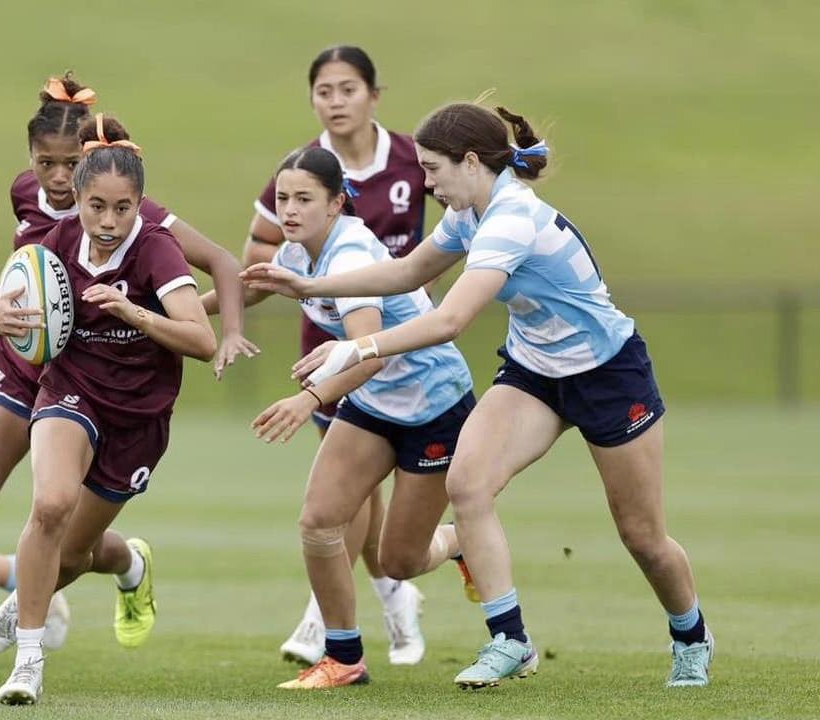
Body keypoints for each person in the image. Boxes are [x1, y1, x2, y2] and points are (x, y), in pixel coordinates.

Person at [244, 102, 713, 689]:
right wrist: (312, 284)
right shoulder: (470, 211)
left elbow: (450, 320)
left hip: (609, 374)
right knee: (468, 484)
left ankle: (690, 636)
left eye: (434, 169)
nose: (427, 182)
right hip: (535, 372)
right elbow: (407, 272)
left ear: (470, 162)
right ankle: (509, 640)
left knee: (642, 537)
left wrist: (355, 349)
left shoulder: (510, 217)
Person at [0, 76, 253, 694]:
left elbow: (216, 271)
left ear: (95, 162)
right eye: (48, 163)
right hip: (32, 368)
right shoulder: (31, 200)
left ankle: (122, 562)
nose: (61, 178)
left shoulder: (136, 217)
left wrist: (217, 329)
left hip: (115, 384)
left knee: (71, 543)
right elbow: (21, 277)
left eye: (72, 165)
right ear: (30, 161)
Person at [238, 45, 466, 666]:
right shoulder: (297, 202)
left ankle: (451, 549)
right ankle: (340, 648)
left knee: (397, 553)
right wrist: (154, 312)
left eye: (347, 88)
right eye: (324, 90)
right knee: (326, 517)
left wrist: (309, 394)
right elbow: (249, 277)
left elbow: (370, 346)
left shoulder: (362, 232)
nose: (289, 209)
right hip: (344, 372)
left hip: (416, 384)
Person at [0, 113, 216, 705]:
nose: (109, 222)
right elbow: (7, 294)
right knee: (50, 505)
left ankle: (116, 568)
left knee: (77, 552)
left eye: (123, 208)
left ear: (140, 204)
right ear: (78, 201)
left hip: (139, 419)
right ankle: (29, 662)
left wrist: (131, 311)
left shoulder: (157, 252)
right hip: (72, 390)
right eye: (96, 207)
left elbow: (201, 340)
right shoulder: (54, 244)